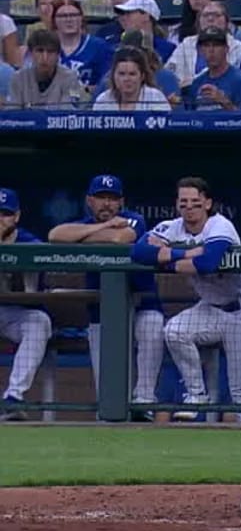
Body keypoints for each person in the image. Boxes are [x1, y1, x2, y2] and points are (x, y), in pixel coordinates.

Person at [128, 177, 241, 422]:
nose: (189, 208)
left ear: (208, 203)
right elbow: (138, 252)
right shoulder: (173, 227)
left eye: (195, 203)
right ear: (177, 205)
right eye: (184, 203)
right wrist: (187, 254)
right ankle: (196, 394)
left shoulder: (220, 225)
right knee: (174, 331)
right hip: (210, 309)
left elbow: (209, 262)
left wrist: (167, 258)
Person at [44, 175, 162, 417]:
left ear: (122, 202)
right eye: (101, 198)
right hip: (102, 313)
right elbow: (55, 235)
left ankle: (144, 400)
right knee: (106, 392)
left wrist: (83, 238)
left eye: (112, 198)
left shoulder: (135, 219)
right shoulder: (88, 223)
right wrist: (104, 227)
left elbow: (121, 240)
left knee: (152, 326)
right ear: (89, 200)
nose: (107, 204)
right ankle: (109, 422)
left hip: (143, 305)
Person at [0, 187, 51, 421]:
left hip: (18, 315)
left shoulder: (30, 243)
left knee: (39, 323)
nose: (0, 219)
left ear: (16, 216)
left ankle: (14, 398)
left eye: (5, 213)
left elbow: (30, 294)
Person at [169, 2, 241, 87]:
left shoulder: (238, 47)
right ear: (199, 21)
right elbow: (171, 72)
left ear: (227, 22)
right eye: (205, 15)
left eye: (216, 15)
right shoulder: (186, 44)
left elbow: (236, 79)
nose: (210, 19)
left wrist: (193, 82)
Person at [6, 30, 85, 109]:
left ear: (58, 55)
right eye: (40, 51)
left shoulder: (70, 78)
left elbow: (67, 113)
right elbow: (12, 114)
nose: (45, 57)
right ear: (30, 54)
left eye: (50, 52)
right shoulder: (19, 78)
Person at [182, 29, 241, 110]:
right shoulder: (197, 83)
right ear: (200, 51)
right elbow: (191, 118)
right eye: (206, 45)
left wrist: (225, 102)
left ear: (226, 49)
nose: (211, 50)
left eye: (216, 45)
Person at [54, 0, 114, 92]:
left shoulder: (100, 47)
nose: (68, 20)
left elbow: (107, 83)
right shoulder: (46, 48)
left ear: (81, 18)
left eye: (73, 15)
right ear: (54, 20)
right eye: (62, 16)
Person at [93, 48, 171, 110]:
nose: (127, 79)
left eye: (132, 74)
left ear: (142, 76)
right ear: (113, 75)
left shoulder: (155, 98)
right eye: (122, 74)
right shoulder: (103, 100)